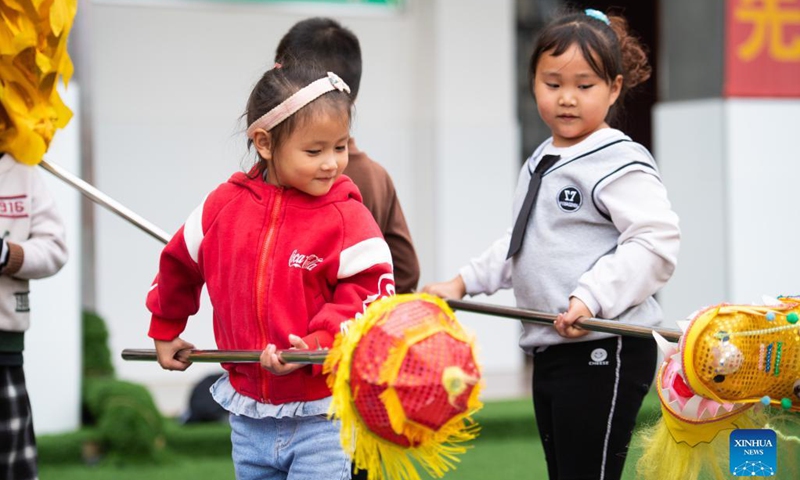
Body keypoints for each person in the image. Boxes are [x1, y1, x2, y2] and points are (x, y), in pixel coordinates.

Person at [422, 9, 680, 480]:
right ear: (532, 83)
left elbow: (655, 242)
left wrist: (591, 298)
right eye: (552, 83)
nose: (567, 98)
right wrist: (462, 283)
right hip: (550, 346)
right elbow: (521, 241)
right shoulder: (541, 158)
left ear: (615, 89)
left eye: (585, 85)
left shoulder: (619, 160)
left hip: (607, 347)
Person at [146, 64, 394, 480]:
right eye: (314, 151)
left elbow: (371, 301)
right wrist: (166, 327)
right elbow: (178, 263)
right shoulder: (221, 208)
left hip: (323, 416)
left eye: (340, 147)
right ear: (263, 143)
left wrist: (314, 346)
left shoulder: (349, 218)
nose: (332, 164)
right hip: (248, 415)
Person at [275, 17, 420, 294]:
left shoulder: (281, 175)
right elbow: (405, 271)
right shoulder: (375, 176)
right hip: (354, 330)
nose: (328, 167)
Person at [0, 152, 68, 480]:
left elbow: (55, 248)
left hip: (4, 347)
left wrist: (8, 254)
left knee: (12, 464)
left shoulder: (21, 171)